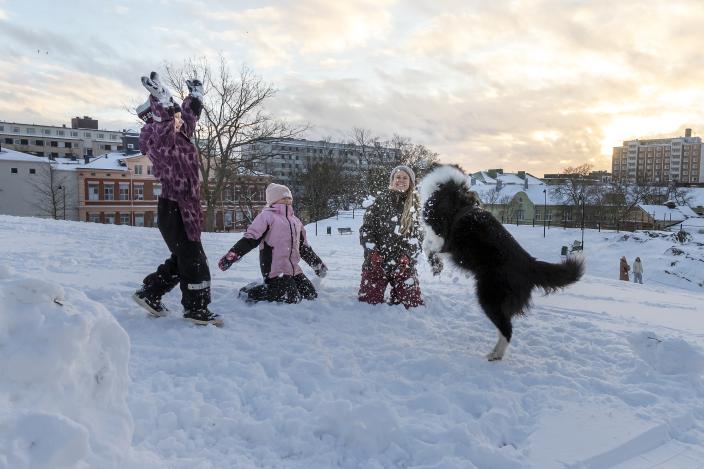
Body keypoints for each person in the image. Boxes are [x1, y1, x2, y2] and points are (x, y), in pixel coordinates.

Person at [132, 72, 223, 326]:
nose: (177, 117)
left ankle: (150, 293)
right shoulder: (157, 138)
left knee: (182, 258)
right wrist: (161, 99)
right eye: (171, 113)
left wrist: (195, 98)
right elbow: (164, 124)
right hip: (175, 209)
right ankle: (196, 309)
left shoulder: (179, 136)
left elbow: (188, 121)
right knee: (195, 262)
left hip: (186, 209)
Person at [217, 183, 328, 303]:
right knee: (291, 297)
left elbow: (303, 248)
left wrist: (317, 265)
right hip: (275, 271)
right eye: (283, 197)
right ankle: (250, 292)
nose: (287, 199)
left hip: (294, 270)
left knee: (310, 294)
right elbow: (250, 240)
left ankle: (279, 288)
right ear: (273, 200)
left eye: (289, 197)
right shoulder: (267, 217)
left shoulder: (296, 221)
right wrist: (232, 255)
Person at [358, 165, 424, 308]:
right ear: (392, 180)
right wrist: (373, 251)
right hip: (377, 262)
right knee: (368, 304)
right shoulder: (379, 201)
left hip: (403, 265)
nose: (401, 180)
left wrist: (407, 255)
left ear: (411, 182)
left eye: (405, 178)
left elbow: (418, 238)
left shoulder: (416, 206)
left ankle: (399, 294)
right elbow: (366, 230)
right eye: (397, 177)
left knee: (412, 304)